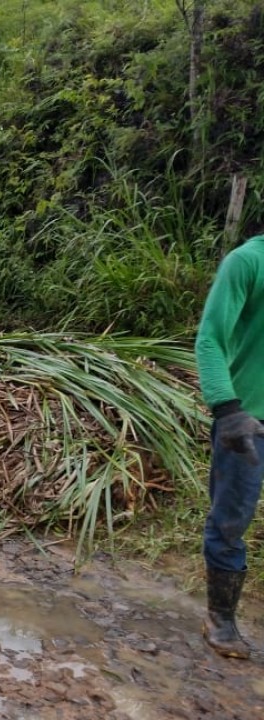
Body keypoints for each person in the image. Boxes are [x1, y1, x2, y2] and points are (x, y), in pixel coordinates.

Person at [195, 232, 264, 659]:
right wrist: (227, 409)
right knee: (232, 518)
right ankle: (220, 617)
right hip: (247, 421)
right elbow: (211, 339)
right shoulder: (246, 262)